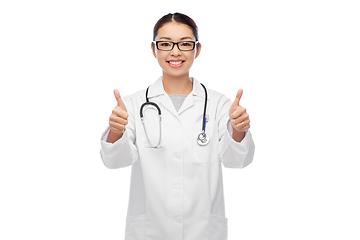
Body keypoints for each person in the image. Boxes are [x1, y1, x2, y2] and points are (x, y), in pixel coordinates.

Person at [100, 12, 255, 240]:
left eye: (185, 43)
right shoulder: (134, 104)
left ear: (197, 49)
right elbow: (115, 161)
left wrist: (239, 129)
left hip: (203, 231)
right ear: (154, 50)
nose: (175, 51)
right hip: (151, 231)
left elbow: (237, 161)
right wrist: (116, 130)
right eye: (165, 44)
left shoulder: (219, 104)